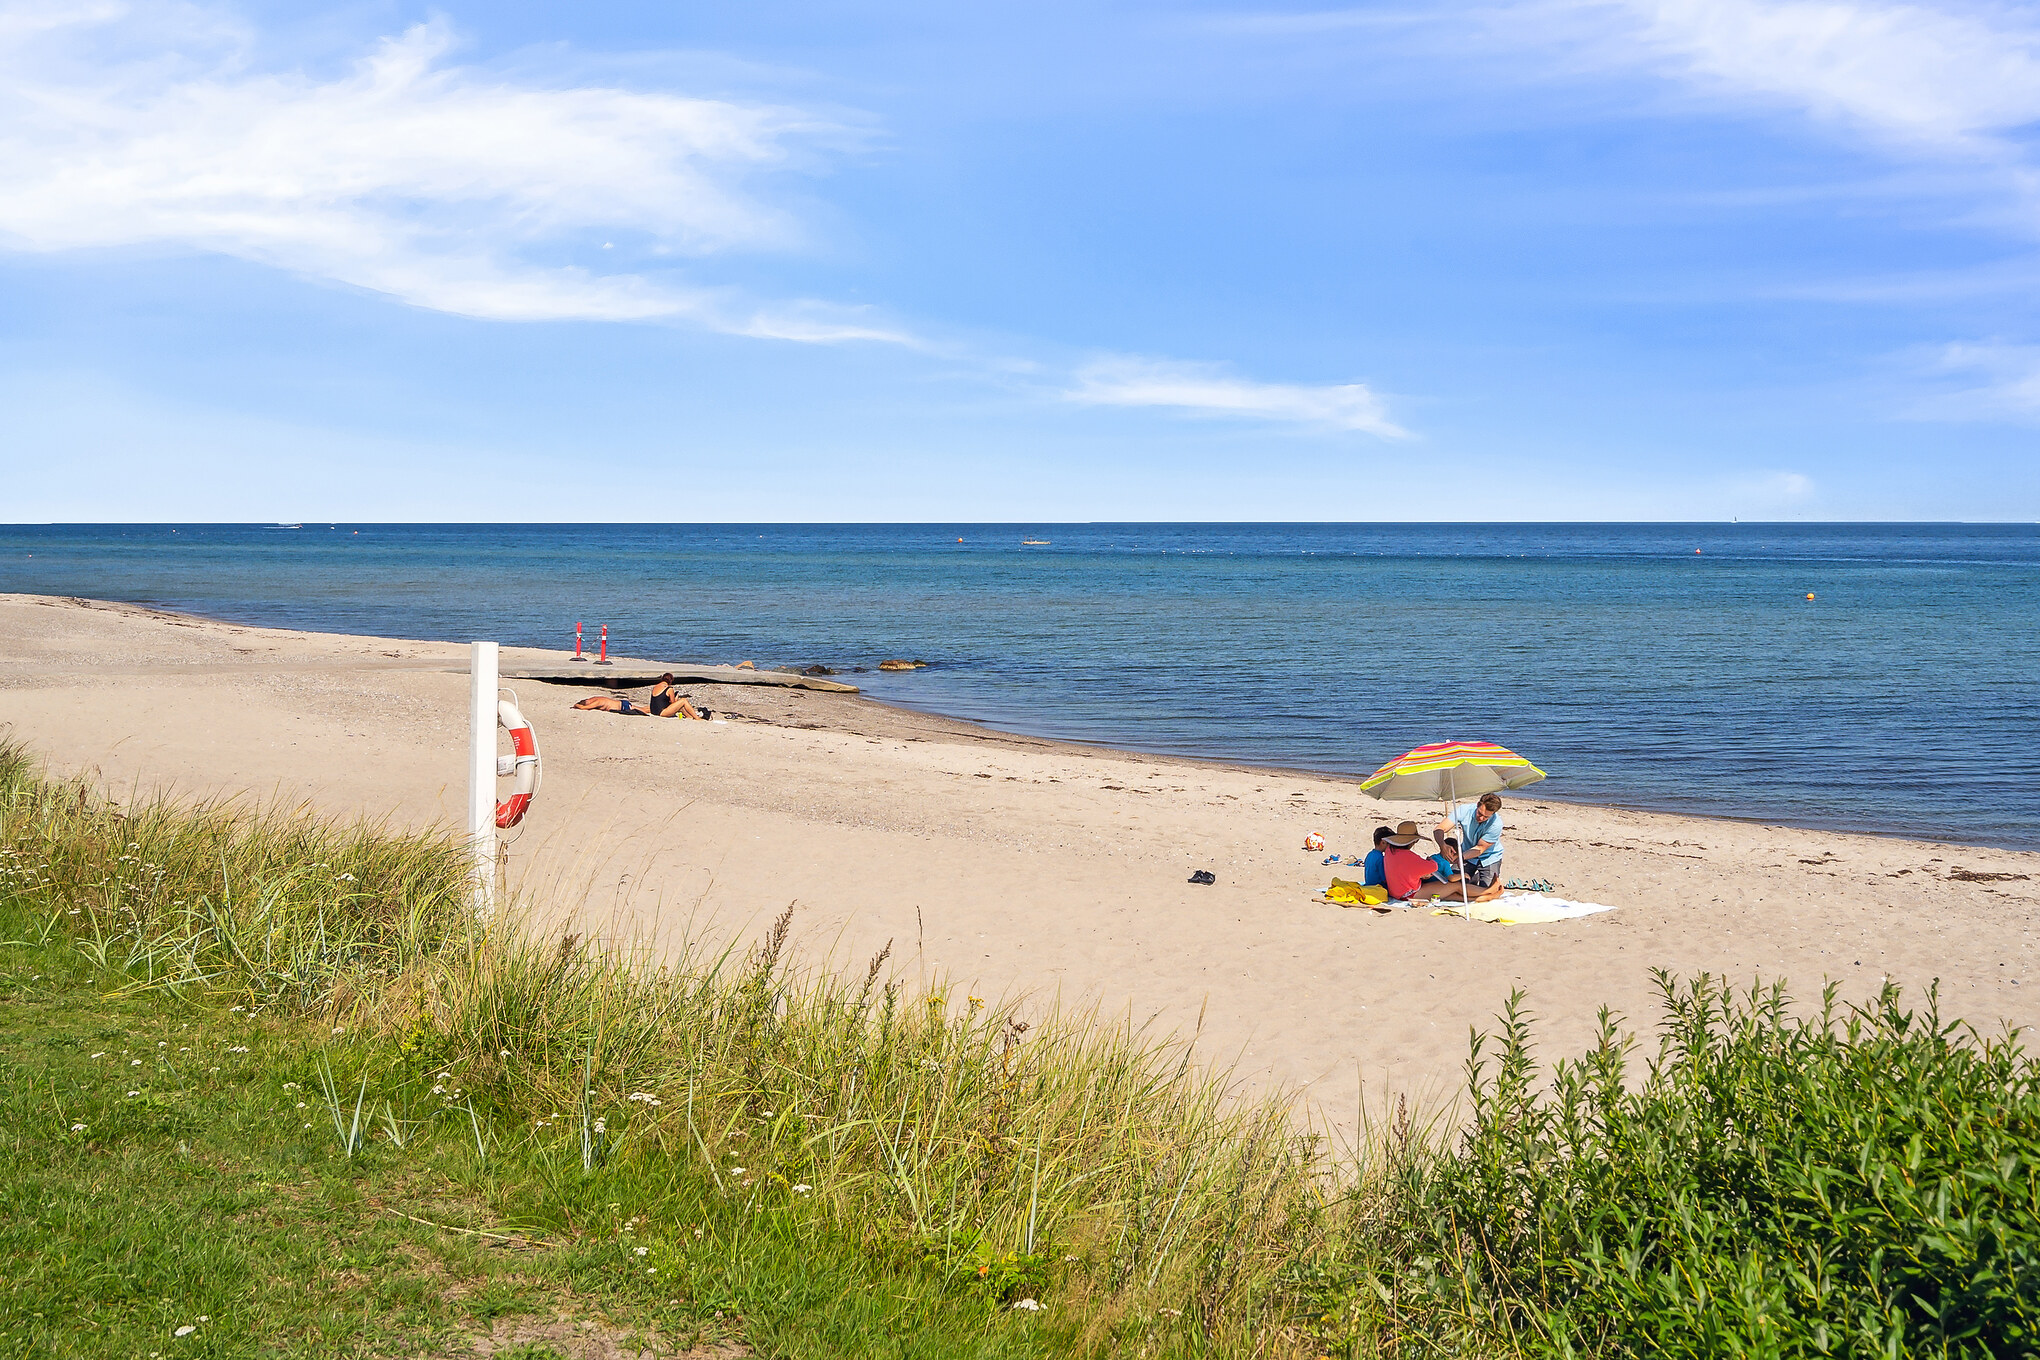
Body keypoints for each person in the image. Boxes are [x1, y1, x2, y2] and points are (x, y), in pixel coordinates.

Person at [1438, 792, 1506, 895]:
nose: (1481, 818)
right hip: (1467, 852)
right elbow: (1439, 829)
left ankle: (1475, 878)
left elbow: (1480, 848)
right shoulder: (1464, 810)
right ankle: (1472, 879)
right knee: (1451, 886)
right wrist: (1442, 845)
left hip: (1489, 857)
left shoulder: (1496, 824)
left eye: (1486, 817)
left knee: (1486, 892)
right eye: (1480, 813)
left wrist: (1461, 857)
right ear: (1478, 805)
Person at [573, 674, 707, 720]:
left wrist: (579, 704)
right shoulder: (595, 701)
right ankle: (696, 718)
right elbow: (585, 708)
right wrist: (577, 706)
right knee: (682, 701)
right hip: (624, 705)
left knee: (647, 708)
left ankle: (691, 717)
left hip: (625, 704)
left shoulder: (656, 686)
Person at [1415, 835, 1504, 903]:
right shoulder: (1444, 863)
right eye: (1456, 857)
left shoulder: (1434, 857)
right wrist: (1463, 875)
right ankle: (1487, 892)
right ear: (1452, 853)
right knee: (1458, 890)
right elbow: (1451, 878)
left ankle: (1487, 897)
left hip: (1428, 886)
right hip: (1436, 887)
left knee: (1456, 897)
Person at [1379, 821, 1439, 899]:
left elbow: (1404, 870)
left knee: (1450, 895)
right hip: (1409, 894)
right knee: (1453, 886)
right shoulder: (1409, 856)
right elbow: (1434, 867)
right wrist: (1430, 860)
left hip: (1395, 893)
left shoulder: (1389, 850)